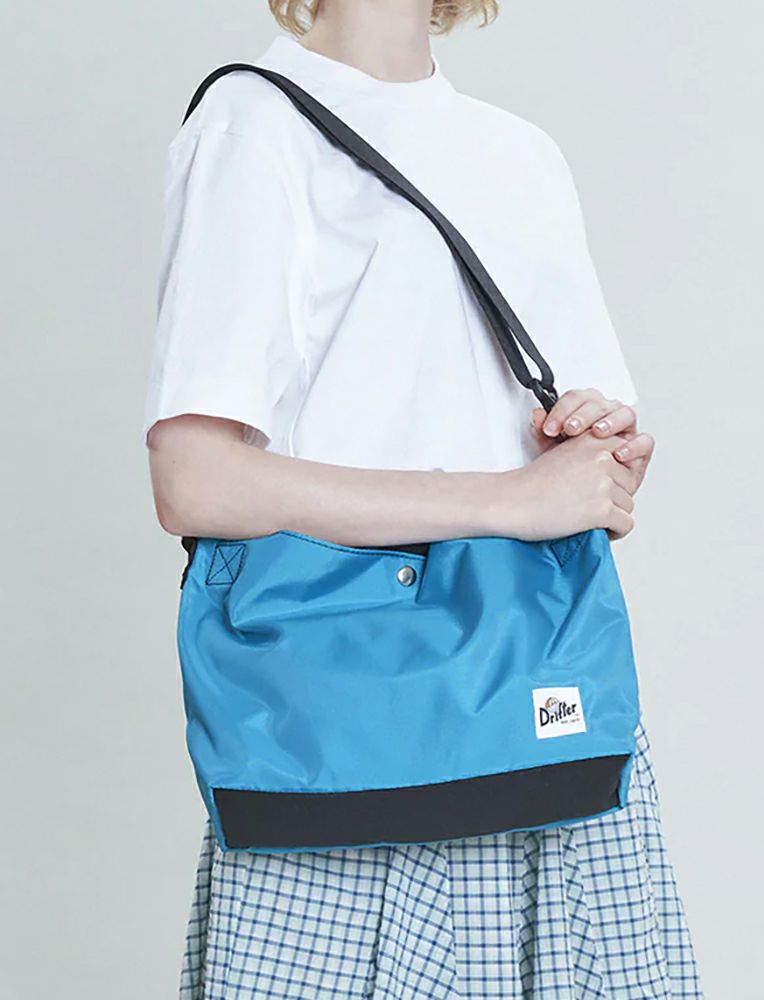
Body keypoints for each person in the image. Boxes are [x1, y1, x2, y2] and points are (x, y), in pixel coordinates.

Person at [143, 1, 704, 996]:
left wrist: (596, 456)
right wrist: (511, 499)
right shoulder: (253, 122)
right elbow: (196, 479)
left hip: (537, 700)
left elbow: (580, 487)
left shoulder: (521, 154)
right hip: (346, 724)